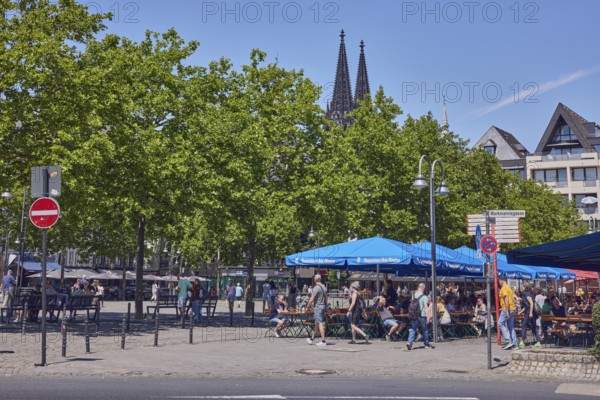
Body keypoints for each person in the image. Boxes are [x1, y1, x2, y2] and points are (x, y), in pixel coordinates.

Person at [406, 282, 433, 350]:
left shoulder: (413, 295)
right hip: (422, 315)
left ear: (418, 288)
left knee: (413, 328)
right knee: (425, 329)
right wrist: (428, 316)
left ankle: (409, 342)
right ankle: (426, 344)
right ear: (423, 289)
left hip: (414, 314)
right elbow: (426, 307)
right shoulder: (424, 297)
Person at [306, 274, 328, 346]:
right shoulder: (324, 287)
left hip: (318, 307)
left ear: (315, 280)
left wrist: (308, 306)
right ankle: (312, 339)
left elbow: (312, 298)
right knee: (317, 323)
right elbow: (326, 298)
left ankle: (323, 341)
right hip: (323, 307)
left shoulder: (316, 288)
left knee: (320, 323)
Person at [519, 283, 542, 348]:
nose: (521, 287)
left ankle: (522, 342)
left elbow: (531, 304)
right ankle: (538, 342)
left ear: (525, 287)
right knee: (533, 327)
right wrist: (521, 312)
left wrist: (530, 313)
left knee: (524, 326)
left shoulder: (526, 294)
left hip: (529, 312)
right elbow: (527, 306)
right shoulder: (529, 293)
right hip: (529, 311)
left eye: (522, 286)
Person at [498, 278, 518, 350]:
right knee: (510, 327)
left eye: (499, 281)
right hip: (512, 308)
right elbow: (512, 297)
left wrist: (506, 310)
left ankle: (508, 340)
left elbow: (506, 298)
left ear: (501, 280)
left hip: (507, 309)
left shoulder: (504, 288)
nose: (498, 283)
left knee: (500, 323)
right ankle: (515, 344)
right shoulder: (509, 287)